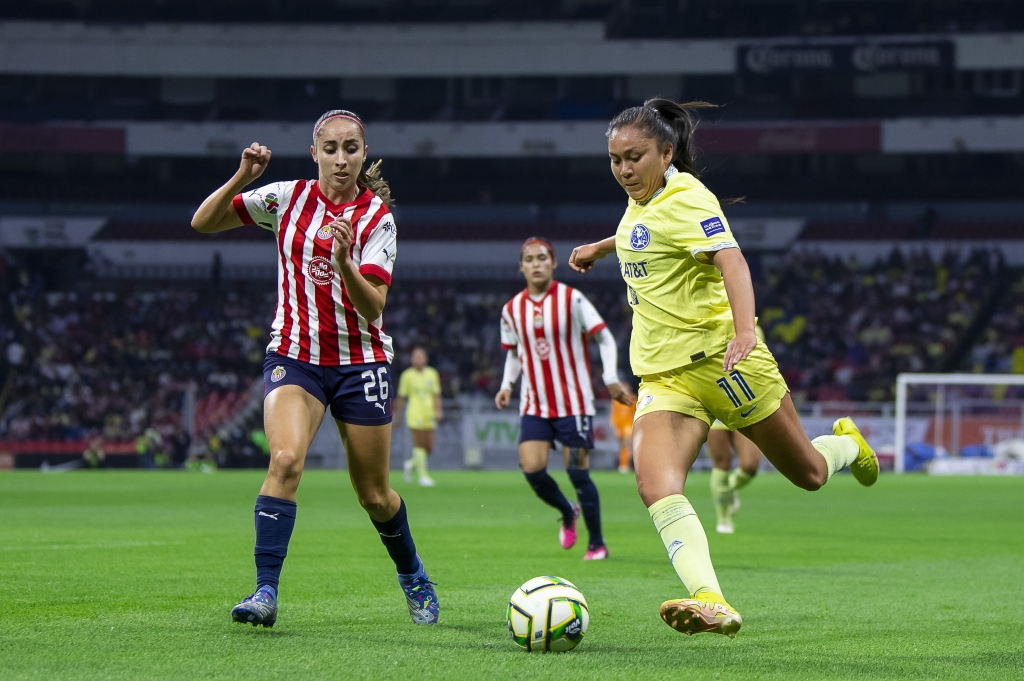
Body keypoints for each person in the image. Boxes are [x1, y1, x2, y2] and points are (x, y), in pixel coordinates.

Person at [569, 99, 878, 637]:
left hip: (726, 363)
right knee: (655, 484)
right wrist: (601, 246)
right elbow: (646, 235)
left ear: (666, 153)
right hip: (666, 379)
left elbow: (731, 258)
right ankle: (711, 598)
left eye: (634, 157)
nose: (623, 170)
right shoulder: (642, 201)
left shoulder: (689, 196)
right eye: (615, 159)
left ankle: (848, 444)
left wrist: (742, 332)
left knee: (807, 473)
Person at [191, 109, 438, 628]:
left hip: (359, 362)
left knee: (374, 494)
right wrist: (242, 179)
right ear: (314, 154)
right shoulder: (285, 198)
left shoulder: (378, 220)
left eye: (351, 148)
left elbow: (373, 308)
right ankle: (264, 592)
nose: (341, 159)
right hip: (295, 357)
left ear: (363, 154)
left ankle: (413, 574)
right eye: (330, 149)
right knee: (284, 460)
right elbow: (203, 222)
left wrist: (346, 261)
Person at [495, 237, 636, 561]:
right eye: (529, 259)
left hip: (574, 405)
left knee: (577, 474)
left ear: (553, 263)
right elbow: (514, 353)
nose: (536, 263)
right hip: (534, 405)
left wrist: (611, 377)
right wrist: (506, 384)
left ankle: (597, 543)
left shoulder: (572, 300)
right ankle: (566, 509)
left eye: (542, 257)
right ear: (521, 267)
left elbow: (604, 336)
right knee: (532, 469)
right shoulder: (511, 310)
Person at [707, 325, 767, 534]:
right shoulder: (705, 326)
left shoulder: (753, 330)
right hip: (715, 403)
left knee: (750, 464)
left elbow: (760, 368)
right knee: (721, 462)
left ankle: (729, 490)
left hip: (744, 404)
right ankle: (723, 519)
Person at [395, 347, 443, 487]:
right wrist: (397, 415)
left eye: (420, 356)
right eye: (415, 356)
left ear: (426, 358)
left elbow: (436, 394)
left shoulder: (432, 373)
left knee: (429, 447)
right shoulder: (407, 375)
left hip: (429, 413)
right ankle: (423, 476)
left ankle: (410, 464)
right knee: (419, 444)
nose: (418, 359)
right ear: (411, 359)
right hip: (415, 413)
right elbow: (401, 397)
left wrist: (439, 410)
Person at [610, 390, 636, 473]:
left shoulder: (633, 398)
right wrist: (614, 426)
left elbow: (635, 411)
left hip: (629, 424)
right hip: (619, 425)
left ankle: (625, 465)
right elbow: (613, 413)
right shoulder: (616, 399)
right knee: (622, 446)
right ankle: (622, 464)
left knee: (627, 445)